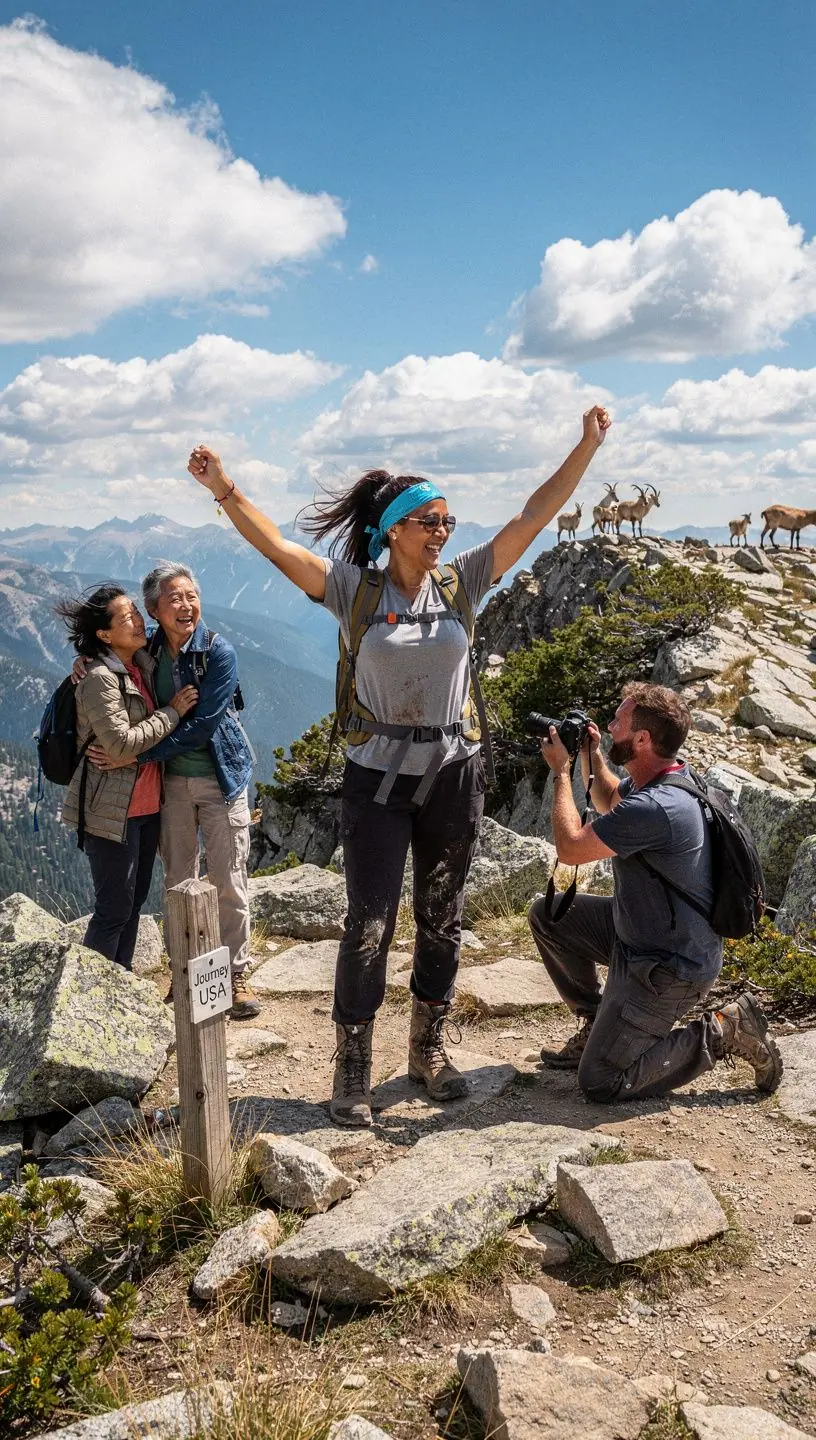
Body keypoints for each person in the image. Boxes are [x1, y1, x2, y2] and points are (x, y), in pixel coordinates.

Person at [186, 404, 611, 1126]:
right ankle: (353, 1061)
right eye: (429, 522)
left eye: (447, 521)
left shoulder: (462, 583)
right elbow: (276, 549)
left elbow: (534, 515)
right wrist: (222, 488)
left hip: (454, 771)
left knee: (443, 917)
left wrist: (586, 447)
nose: (443, 533)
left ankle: (427, 1048)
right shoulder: (355, 591)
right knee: (369, 922)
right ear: (392, 531)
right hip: (376, 779)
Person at [529, 681, 783, 1102]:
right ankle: (599, 1021)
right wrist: (591, 755)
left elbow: (570, 849)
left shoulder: (659, 807)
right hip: (639, 934)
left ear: (643, 739)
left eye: (619, 722)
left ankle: (725, 1029)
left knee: (600, 1081)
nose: (610, 727)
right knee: (549, 915)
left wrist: (560, 772)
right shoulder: (666, 776)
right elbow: (609, 798)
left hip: (670, 965)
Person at [87, 563, 261, 1020]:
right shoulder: (147, 650)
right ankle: (185, 972)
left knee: (228, 880)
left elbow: (202, 727)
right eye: (174, 599)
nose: (186, 606)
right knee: (179, 882)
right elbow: (110, 657)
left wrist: (137, 756)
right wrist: (84, 661)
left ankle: (235, 974)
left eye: (191, 596)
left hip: (221, 780)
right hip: (172, 786)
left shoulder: (217, 652)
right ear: (153, 611)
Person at [57, 585, 198, 971]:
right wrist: (172, 712)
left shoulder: (140, 663)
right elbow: (120, 745)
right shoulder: (99, 678)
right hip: (112, 811)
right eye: (127, 618)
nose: (138, 621)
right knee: (113, 910)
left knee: (133, 904)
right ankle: (90, 993)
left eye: (136, 612)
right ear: (105, 634)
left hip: (146, 807)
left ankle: (120, 982)